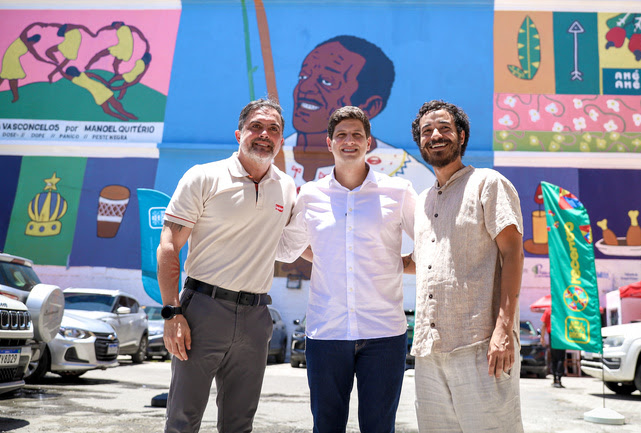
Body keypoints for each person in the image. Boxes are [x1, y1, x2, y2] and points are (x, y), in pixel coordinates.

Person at [157, 99, 296, 433]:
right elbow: (168, 246)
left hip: (256, 317)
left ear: (281, 140)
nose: (265, 135)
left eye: (274, 129)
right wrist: (171, 313)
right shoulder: (204, 177)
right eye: (256, 127)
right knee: (182, 420)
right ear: (239, 133)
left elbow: (299, 245)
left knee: (239, 424)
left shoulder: (287, 188)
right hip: (202, 312)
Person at [277, 105, 417, 433]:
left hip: (384, 333)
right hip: (327, 333)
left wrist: (398, 263)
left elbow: (430, 242)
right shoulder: (310, 194)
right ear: (329, 143)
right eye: (341, 135)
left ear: (369, 143)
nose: (349, 141)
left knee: (379, 428)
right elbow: (286, 248)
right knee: (326, 427)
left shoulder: (398, 192)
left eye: (357, 135)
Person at [409, 100, 525, 433]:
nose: (435, 135)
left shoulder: (488, 183)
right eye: (426, 131)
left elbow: (513, 253)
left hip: (481, 344)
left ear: (461, 136)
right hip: (429, 350)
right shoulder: (423, 201)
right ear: (419, 142)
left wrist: (503, 330)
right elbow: (426, 264)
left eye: (444, 128)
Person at [283, 35, 435, 189]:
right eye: (303, 76)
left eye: (327, 82)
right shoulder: (270, 162)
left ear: (370, 107)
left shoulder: (410, 178)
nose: (305, 88)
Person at [540, 306, 566, 388]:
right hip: (561, 335)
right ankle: (559, 378)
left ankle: (555, 379)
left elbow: (544, 325)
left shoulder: (548, 310)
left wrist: (542, 337)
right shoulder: (562, 308)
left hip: (553, 335)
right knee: (561, 358)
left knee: (554, 358)